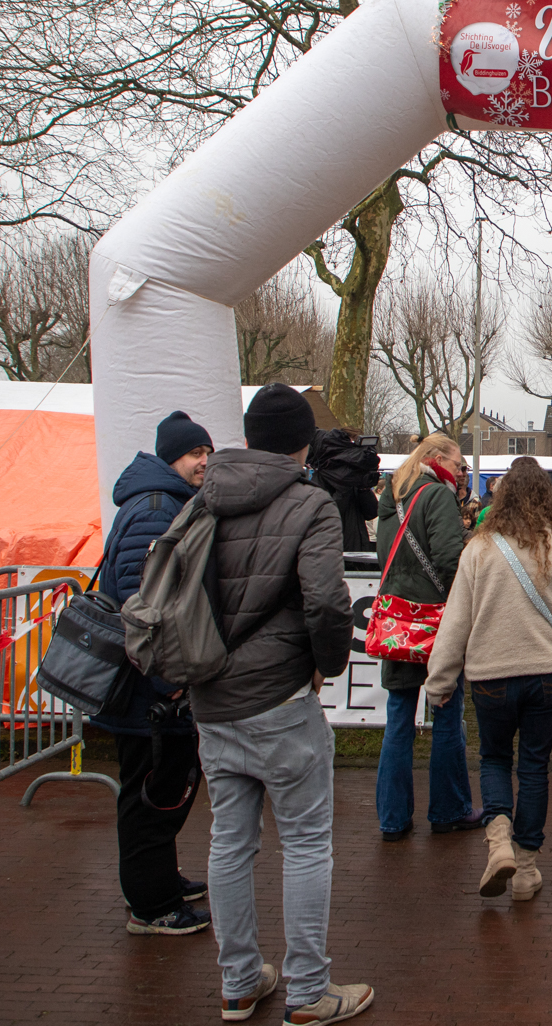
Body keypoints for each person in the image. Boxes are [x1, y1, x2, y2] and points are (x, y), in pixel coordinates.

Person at [195, 384, 372, 1024]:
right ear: (303, 442)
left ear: (246, 436)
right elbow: (328, 603)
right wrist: (327, 665)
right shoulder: (311, 504)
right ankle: (306, 990)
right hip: (280, 695)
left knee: (229, 840)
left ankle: (239, 982)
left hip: (212, 695)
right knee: (303, 843)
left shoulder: (203, 497)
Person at [424, 457, 552, 902]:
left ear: (502, 496)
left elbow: (455, 623)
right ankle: (526, 869)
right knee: (533, 768)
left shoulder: (478, 550)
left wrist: (440, 681)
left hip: (490, 674)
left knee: (492, 759)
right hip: (548, 676)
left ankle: (498, 841)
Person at [94, 410, 215, 936]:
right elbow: (142, 604)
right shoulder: (155, 509)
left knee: (159, 788)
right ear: (171, 458)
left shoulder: (162, 503)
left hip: (150, 686)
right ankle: (152, 905)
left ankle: (159, 879)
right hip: (148, 690)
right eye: (195, 454)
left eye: (207, 454)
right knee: (150, 792)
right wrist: (171, 678)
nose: (204, 463)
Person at [373, 433, 481, 841]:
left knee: (398, 718)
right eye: (458, 464)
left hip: (399, 621)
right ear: (436, 459)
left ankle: (392, 818)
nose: (461, 472)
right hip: (435, 622)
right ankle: (449, 808)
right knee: (448, 713)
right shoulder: (437, 496)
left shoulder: (393, 496)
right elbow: (451, 560)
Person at [307, 428, 380, 550]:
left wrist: (364, 489)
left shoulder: (354, 478)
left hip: (358, 548)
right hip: (332, 550)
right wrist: (343, 486)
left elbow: (371, 513)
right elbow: (329, 514)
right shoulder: (319, 480)